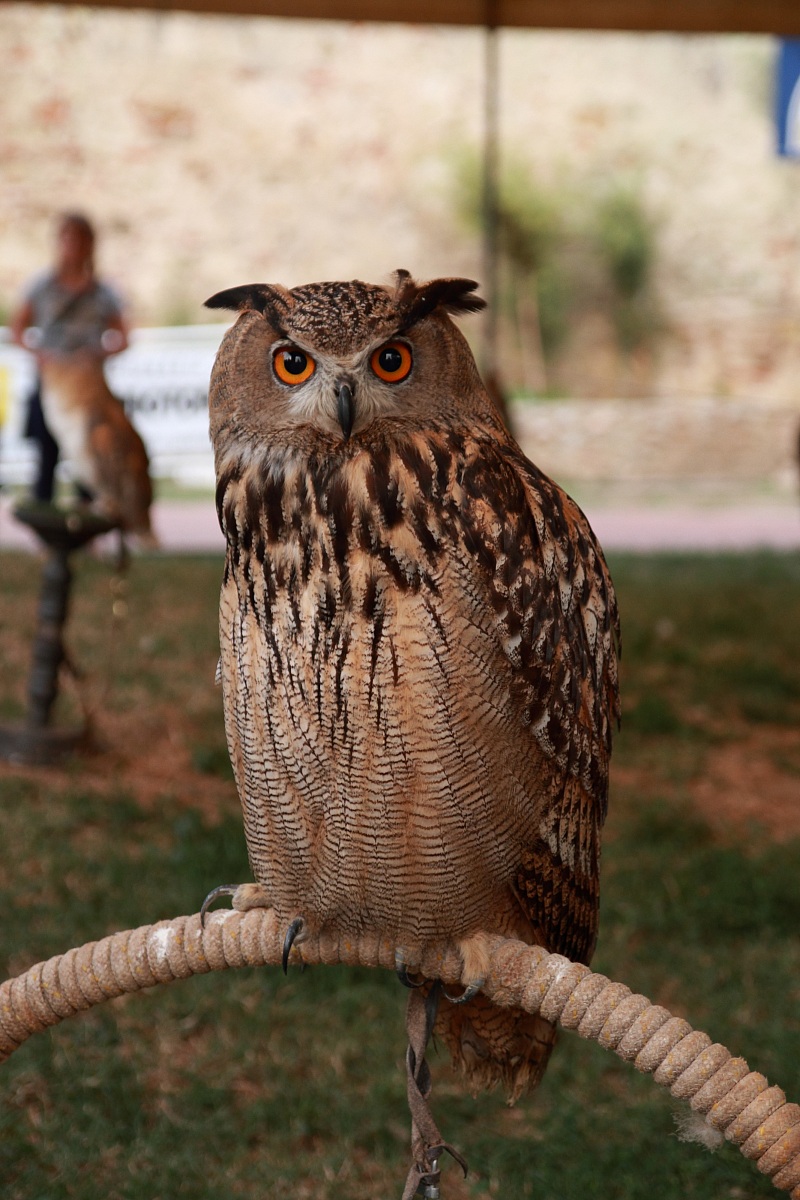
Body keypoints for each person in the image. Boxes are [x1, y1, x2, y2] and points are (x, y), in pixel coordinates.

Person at [9, 212, 130, 503]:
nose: (72, 245)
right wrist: (40, 355)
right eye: (67, 238)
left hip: (88, 388)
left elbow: (124, 337)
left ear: (90, 244)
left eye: (79, 239)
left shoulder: (103, 292)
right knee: (46, 454)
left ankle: (87, 518)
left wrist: (97, 354)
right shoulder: (41, 286)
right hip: (52, 384)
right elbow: (17, 330)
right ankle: (44, 519)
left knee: (90, 455)